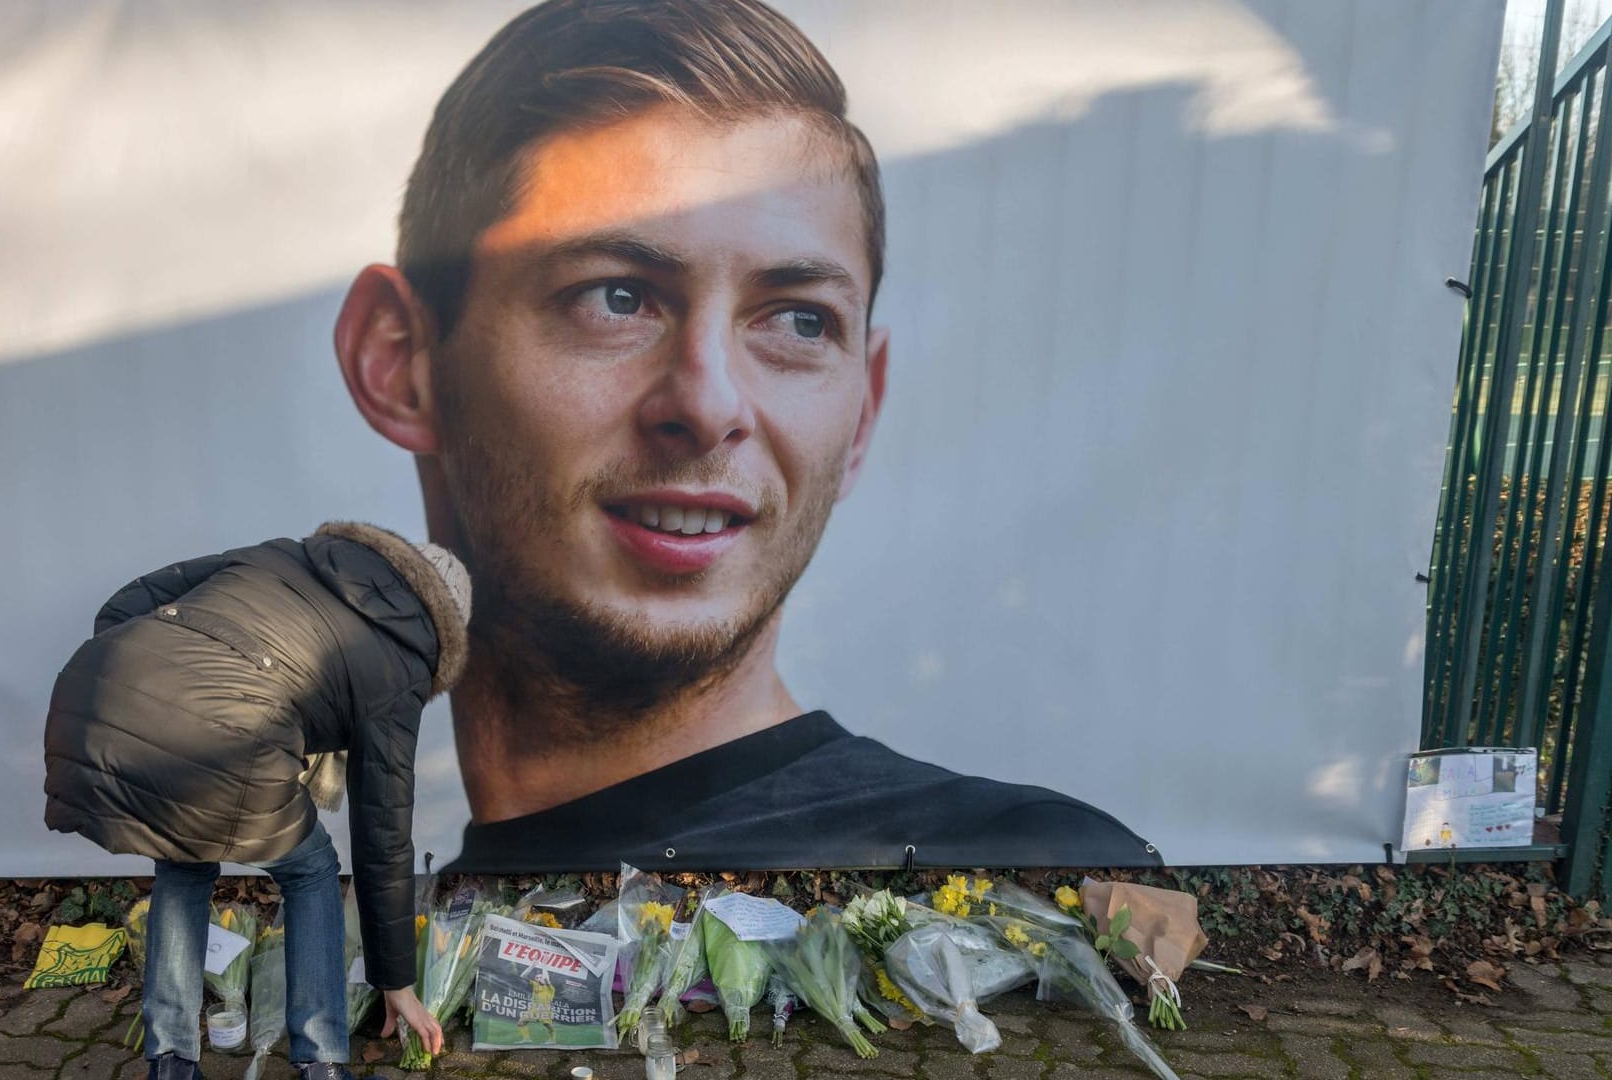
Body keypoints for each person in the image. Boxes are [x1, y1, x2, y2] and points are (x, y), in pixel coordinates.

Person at [334, 0, 1160, 872]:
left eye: (800, 322)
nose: (709, 404)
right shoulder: (364, 946)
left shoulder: (1038, 884)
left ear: (863, 411)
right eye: (614, 296)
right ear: (401, 361)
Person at [41, 523, 469, 1079]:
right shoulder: (402, 662)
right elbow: (382, 833)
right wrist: (396, 982)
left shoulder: (283, 558)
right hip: (229, 728)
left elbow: (129, 602)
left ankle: (170, 1061)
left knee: (184, 856)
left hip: (97, 694)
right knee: (312, 869)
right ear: (443, 622)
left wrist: (154, 686)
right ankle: (321, 1061)